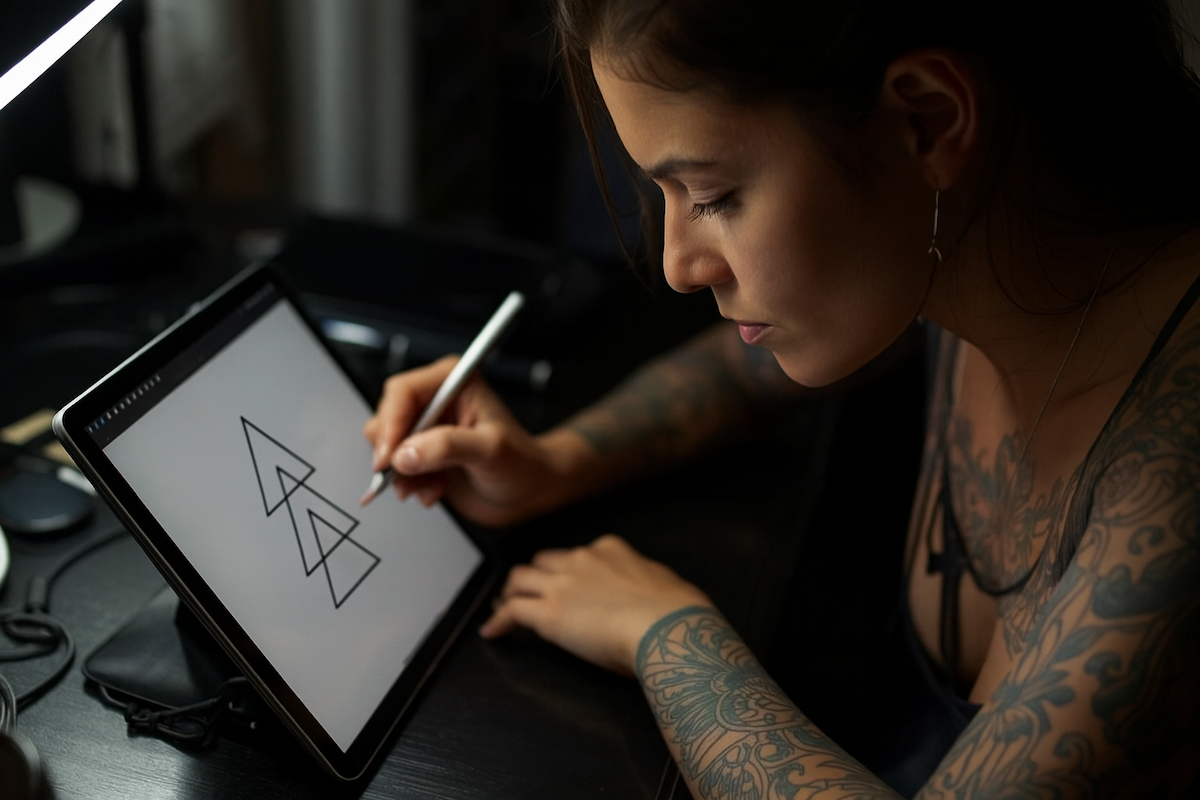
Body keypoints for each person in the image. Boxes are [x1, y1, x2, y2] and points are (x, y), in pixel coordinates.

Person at [364, 0, 1200, 796]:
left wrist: (670, 638)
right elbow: (745, 371)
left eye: (713, 195)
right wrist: (553, 462)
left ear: (928, 120)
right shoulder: (978, 248)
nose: (678, 265)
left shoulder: (1173, 486)